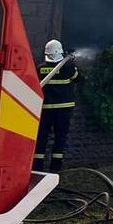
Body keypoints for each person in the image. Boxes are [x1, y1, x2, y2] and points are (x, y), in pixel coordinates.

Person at [34, 39, 80, 172]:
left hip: (45, 109)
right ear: (60, 52)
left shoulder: (40, 68)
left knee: (42, 138)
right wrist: (72, 63)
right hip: (64, 110)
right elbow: (78, 79)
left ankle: (37, 168)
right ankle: (55, 168)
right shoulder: (68, 67)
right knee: (60, 138)